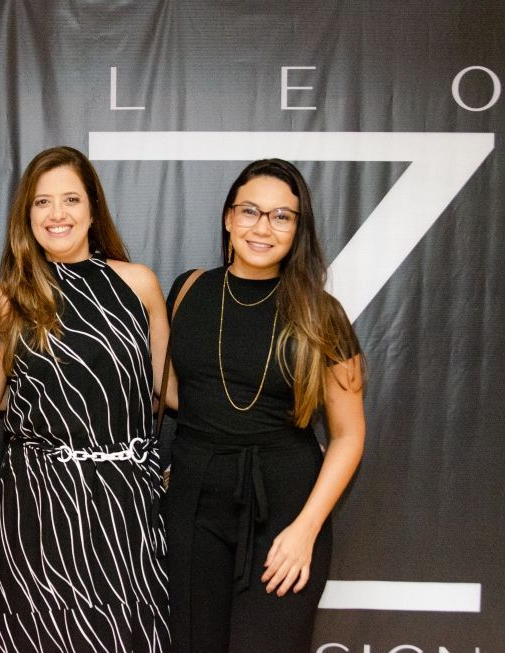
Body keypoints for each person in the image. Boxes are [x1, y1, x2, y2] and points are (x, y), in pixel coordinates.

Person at [0, 146, 171, 652]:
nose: (57, 215)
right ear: (26, 215)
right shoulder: (7, 297)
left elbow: (165, 390)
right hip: (41, 504)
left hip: (124, 503)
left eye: (71, 200)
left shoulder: (138, 284)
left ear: (93, 208)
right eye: (42, 203)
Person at [163, 159, 366, 653]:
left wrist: (306, 530)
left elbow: (348, 434)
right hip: (193, 506)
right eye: (251, 211)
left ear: (298, 229)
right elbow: (174, 389)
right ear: (228, 218)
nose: (263, 227)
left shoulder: (322, 315)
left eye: (282, 216)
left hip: (285, 509)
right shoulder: (188, 290)